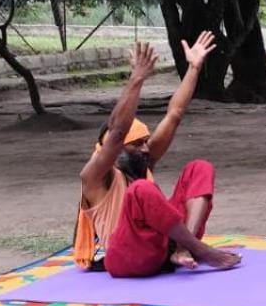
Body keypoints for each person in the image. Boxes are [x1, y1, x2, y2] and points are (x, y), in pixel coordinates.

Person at [73, 36, 240, 278]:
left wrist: (194, 68)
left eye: (145, 142)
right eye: (137, 144)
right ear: (116, 148)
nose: (145, 149)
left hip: (161, 248)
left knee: (199, 168)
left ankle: (185, 248)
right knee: (141, 190)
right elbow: (118, 131)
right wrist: (137, 77)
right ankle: (200, 250)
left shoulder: (142, 161)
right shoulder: (95, 177)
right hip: (128, 259)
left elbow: (175, 113)